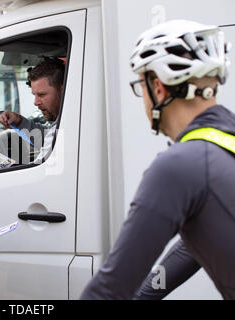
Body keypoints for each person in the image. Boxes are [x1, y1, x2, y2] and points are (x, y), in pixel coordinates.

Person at [80, 20, 235, 300]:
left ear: (158, 88)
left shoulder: (181, 165)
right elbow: (200, 242)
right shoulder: (223, 150)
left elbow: (109, 290)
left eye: (141, 86)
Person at [0, 58, 65, 171]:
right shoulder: (65, 121)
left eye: (42, 95)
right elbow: (50, 141)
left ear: (63, 90)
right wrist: (20, 122)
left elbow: (37, 173)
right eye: (34, 95)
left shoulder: (71, 124)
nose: (36, 102)